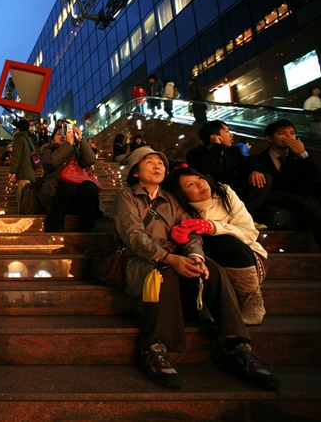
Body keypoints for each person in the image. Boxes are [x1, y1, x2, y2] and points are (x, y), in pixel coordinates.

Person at [112, 147, 279, 390]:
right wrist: (168, 258)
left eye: (161, 162)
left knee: (213, 269)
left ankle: (237, 346)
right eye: (149, 162)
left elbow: (188, 232)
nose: (158, 166)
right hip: (141, 261)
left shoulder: (171, 198)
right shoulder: (125, 196)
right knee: (164, 274)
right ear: (135, 172)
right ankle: (154, 348)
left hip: (176, 257)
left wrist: (196, 256)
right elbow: (132, 234)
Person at [163, 167, 269, 325]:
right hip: (207, 264)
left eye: (199, 178)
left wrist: (212, 227)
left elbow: (250, 233)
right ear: (181, 194)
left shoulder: (224, 193)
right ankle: (208, 300)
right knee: (196, 243)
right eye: (190, 184)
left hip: (246, 258)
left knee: (221, 239)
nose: (200, 184)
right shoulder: (179, 208)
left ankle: (252, 302)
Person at [251, 119, 321, 252]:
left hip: (297, 192)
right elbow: (249, 166)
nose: (288, 137)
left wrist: (303, 154)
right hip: (275, 195)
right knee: (307, 202)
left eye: (292, 133)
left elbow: (317, 178)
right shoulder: (257, 159)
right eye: (282, 133)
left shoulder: (297, 157)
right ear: (269, 138)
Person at [186, 120, 270, 217]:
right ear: (214, 136)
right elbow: (203, 171)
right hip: (214, 194)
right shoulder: (196, 153)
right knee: (207, 177)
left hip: (232, 190)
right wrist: (216, 147)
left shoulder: (233, 151)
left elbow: (247, 163)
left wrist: (256, 170)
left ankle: (246, 215)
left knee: (265, 178)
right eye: (227, 131)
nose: (231, 135)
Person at [38, 124, 101, 232]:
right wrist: (68, 144)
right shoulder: (47, 149)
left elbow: (90, 160)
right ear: (52, 139)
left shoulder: (75, 151)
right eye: (59, 134)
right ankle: (54, 225)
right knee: (68, 187)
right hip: (55, 197)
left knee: (90, 186)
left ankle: (89, 226)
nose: (63, 135)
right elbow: (50, 163)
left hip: (76, 199)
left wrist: (81, 139)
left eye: (66, 133)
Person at [9, 120, 36, 211]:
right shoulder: (28, 140)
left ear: (18, 129)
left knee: (22, 198)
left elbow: (16, 156)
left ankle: (23, 217)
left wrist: (13, 172)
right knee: (27, 198)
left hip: (23, 173)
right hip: (29, 173)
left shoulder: (19, 139)